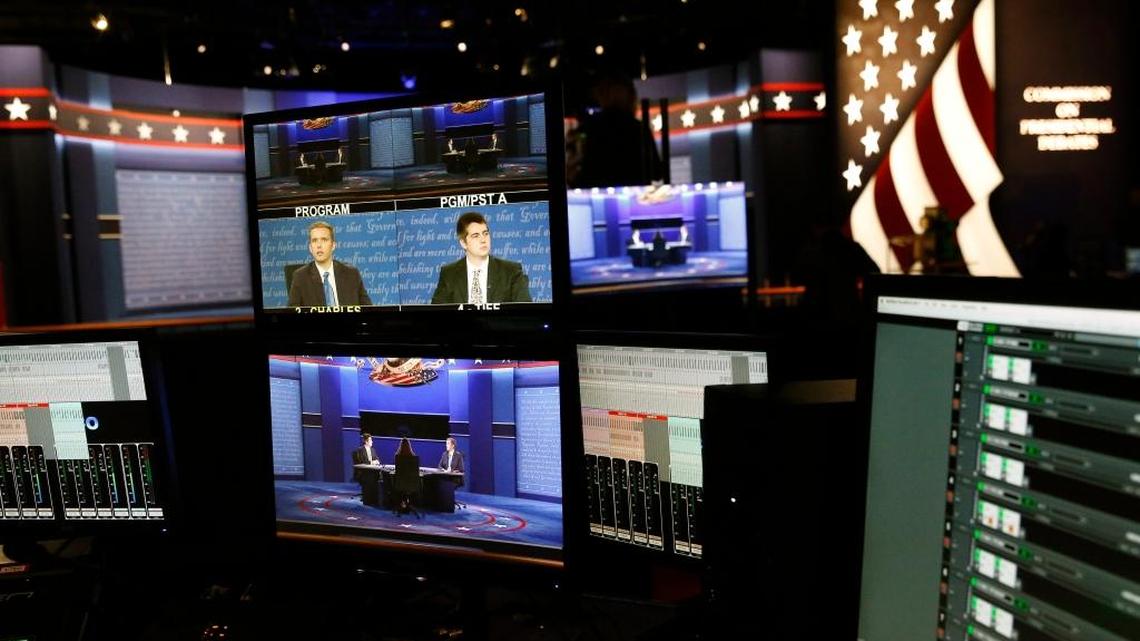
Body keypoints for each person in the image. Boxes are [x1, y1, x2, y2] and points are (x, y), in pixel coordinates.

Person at [430, 211, 532, 304]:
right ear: (463, 243)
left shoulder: (511, 271)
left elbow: (525, 313)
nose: (483, 240)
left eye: (485, 234)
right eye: (476, 236)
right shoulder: (449, 273)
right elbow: (437, 314)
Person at [287, 221, 373, 307]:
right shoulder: (300, 277)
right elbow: (292, 314)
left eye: (324, 240)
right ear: (310, 248)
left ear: (333, 245)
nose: (319, 245)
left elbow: (368, 309)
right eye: (314, 240)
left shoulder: (351, 274)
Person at [351, 433, 381, 507]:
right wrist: (372, 462)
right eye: (371, 440)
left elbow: (377, 459)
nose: (372, 442)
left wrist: (376, 461)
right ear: (366, 441)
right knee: (369, 478)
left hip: (372, 470)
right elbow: (362, 461)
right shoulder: (360, 450)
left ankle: (374, 499)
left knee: (378, 477)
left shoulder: (373, 450)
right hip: (363, 472)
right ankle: (368, 500)